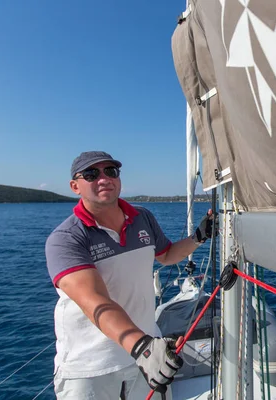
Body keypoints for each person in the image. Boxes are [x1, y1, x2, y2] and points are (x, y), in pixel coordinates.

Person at [45, 151, 216, 400]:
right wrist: (142, 348)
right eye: (92, 174)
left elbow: (166, 255)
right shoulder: (66, 238)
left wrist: (199, 237)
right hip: (92, 368)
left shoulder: (142, 218)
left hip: (147, 355)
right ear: (75, 186)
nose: (103, 179)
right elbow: (94, 301)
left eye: (110, 171)